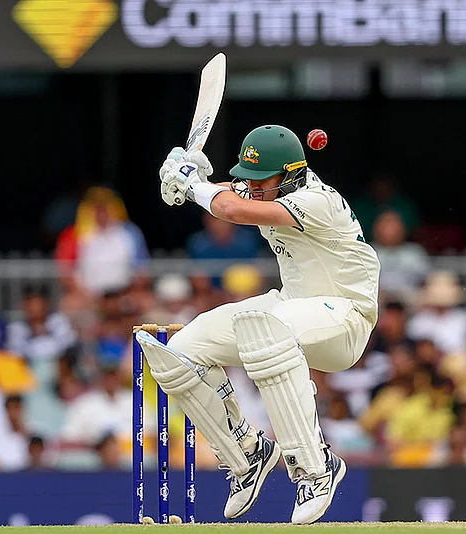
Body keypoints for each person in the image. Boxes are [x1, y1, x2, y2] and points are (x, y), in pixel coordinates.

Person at [142, 125, 380, 524]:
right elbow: (228, 194)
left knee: (266, 329)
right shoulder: (266, 189)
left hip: (346, 317)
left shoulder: (318, 201)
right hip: (293, 308)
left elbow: (232, 209)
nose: (251, 187)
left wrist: (192, 185)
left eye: (259, 180)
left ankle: (315, 467)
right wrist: (192, 175)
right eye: (246, 179)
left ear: (289, 175)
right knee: (181, 351)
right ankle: (247, 454)